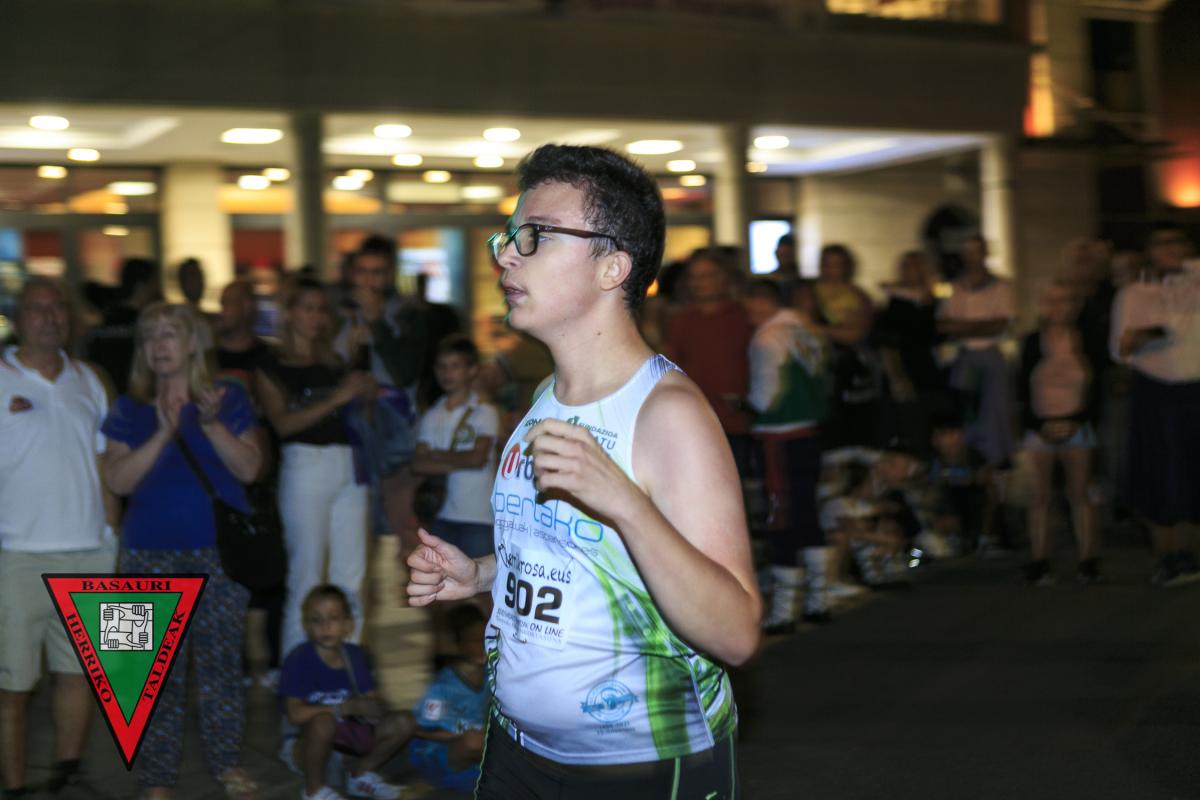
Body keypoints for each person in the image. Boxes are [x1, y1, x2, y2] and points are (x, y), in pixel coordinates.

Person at [407, 144, 761, 798]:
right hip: (517, 749)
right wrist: (481, 573)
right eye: (510, 235)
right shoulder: (546, 397)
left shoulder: (668, 415)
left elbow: (736, 633)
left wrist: (625, 503)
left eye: (536, 236)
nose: (506, 256)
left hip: (642, 766)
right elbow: (578, 559)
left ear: (611, 267)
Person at [101, 302, 262, 799]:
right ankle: (157, 776)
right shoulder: (128, 408)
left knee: (220, 667)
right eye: (150, 336)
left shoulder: (227, 397)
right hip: (144, 556)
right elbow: (117, 480)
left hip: (216, 555)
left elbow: (251, 469)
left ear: (193, 343)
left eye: (169, 333)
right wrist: (164, 431)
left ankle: (227, 761)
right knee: (147, 677)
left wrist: (210, 425)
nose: (159, 345)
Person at [0, 278, 118, 797]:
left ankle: (66, 774)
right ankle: (15, 786)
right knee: (13, 685)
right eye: (37, 308)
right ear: (17, 318)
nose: (49, 317)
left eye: (57, 308)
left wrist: (113, 533)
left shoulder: (91, 380)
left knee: (81, 673)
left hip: (91, 551)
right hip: (18, 556)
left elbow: (105, 462)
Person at [257, 278, 376, 657]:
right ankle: (297, 673)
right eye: (307, 308)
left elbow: (359, 416)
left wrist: (363, 392)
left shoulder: (336, 362)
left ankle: (349, 669)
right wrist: (338, 397)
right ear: (290, 313)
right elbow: (283, 424)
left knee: (351, 574)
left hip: (348, 462)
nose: (316, 317)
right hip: (305, 464)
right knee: (305, 575)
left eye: (321, 309)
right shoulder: (272, 365)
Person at [1110, 223, 1200, 586]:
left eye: (1175, 241)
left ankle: (1190, 554)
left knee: (1193, 471)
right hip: (1156, 390)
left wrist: (1185, 269)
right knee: (1158, 472)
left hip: (1195, 389)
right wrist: (1139, 337)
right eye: (1160, 243)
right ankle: (1166, 557)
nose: (1169, 249)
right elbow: (1118, 349)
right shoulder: (1134, 293)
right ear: (1148, 251)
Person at [742, 278, 832, 630]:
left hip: (778, 435)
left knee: (780, 517)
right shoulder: (806, 331)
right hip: (810, 432)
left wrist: (743, 404)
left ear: (761, 302)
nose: (748, 314)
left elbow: (765, 397)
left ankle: (784, 611)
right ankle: (818, 599)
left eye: (750, 306)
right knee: (808, 512)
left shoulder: (767, 338)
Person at [337, 235, 427, 552]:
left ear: (390, 275)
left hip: (395, 431)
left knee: (400, 524)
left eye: (377, 273)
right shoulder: (339, 314)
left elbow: (405, 371)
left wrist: (377, 322)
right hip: (348, 430)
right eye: (363, 272)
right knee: (354, 528)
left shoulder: (408, 313)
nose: (369, 281)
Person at [279, 585, 411, 800]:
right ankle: (314, 790)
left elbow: (372, 698)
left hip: (345, 741)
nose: (325, 626)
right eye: (317, 620)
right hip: (305, 744)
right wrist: (344, 707)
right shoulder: (299, 659)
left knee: (404, 721)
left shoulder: (355, 656)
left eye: (334, 618)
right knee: (323, 722)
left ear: (348, 625)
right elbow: (295, 715)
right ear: (307, 625)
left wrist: (376, 707)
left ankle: (360, 774)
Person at [1018, 280, 1103, 585]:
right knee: (1040, 496)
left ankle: (1088, 560)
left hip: (1077, 425)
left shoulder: (1088, 339)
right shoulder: (1032, 342)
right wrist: (1039, 425)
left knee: (1079, 493)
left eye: (1065, 301)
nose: (1058, 308)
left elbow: (1096, 388)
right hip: (1040, 427)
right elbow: (1021, 388)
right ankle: (1039, 560)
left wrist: (1076, 421)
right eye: (1052, 301)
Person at [937, 234, 1015, 553]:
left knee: (996, 444)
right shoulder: (955, 288)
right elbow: (944, 325)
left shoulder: (1002, 286)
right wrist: (979, 325)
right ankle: (968, 523)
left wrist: (965, 326)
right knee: (964, 443)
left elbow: (999, 325)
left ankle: (996, 522)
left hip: (989, 367)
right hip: (965, 366)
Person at [664, 249, 754, 474]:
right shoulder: (681, 320)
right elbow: (672, 367)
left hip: (736, 420)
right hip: (695, 420)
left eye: (707, 276)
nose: (700, 283)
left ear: (724, 278)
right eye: (694, 277)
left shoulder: (744, 315)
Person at [408, 604, 488, 794]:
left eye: (486, 638)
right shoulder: (443, 686)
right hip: (442, 756)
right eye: (474, 640)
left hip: (476, 754)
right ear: (459, 644)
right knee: (475, 741)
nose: (483, 645)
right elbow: (423, 729)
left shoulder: (492, 674)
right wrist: (463, 734)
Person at [876, 250, 944, 458]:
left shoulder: (930, 302)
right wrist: (897, 378)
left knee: (928, 434)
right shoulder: (897, 303)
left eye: (918, 265)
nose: (913, 270)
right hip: (907, 375)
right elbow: (888, 345)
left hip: (928, 375)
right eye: (908, 266)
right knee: (909, 435)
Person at [86, 257, 160, 394]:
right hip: (136, 396)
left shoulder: (104, 320)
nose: (157, 290)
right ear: (141, 286)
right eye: (154, 284)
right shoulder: (145, 323)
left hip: (105, 393)